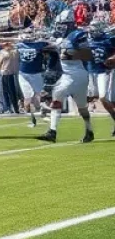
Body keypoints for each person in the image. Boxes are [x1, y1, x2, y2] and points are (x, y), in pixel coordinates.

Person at [37, 10, 94, 143]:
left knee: (81, 107)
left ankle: (88, 130)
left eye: (63, 24)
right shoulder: (60, 38)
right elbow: (55, 48)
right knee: (58, 98)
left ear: (70, 24)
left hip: (78, 74)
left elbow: (87, 55)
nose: (60, 27)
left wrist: (66, 53)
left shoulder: (77, 35)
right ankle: (53, 131)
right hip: (67, 76)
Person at [16, 29, 50, 128]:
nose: (27, 36)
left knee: (39, 96)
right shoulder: (19, 45)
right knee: (28, 98)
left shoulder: (40, 44)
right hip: (23, 74)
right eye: (26, 33)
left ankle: (42, 113)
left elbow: (50, 47)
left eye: (29, 34)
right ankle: (32, 119)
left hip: (37, 73)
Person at [86, 18, 115, 133]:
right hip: (90, 72)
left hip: (105, 71)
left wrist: (112, 58)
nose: (91, 31)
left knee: (103, 98)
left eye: (94, 28)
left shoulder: (108, 39)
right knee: (92, 98)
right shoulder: (86, 40)